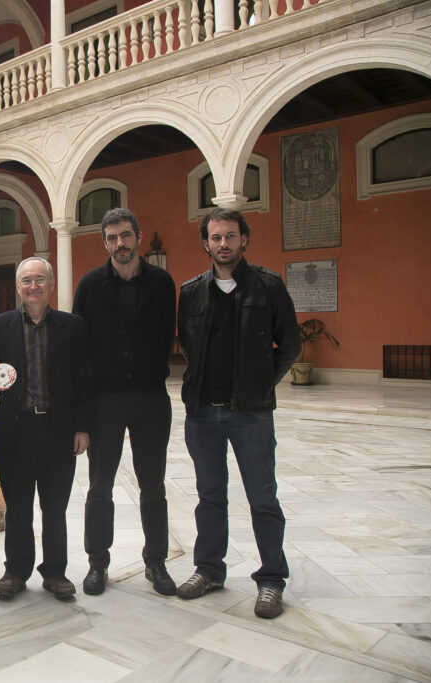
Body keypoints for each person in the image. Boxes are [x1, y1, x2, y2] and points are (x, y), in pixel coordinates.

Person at [176, 207, 300, 619]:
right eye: (216, 238)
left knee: (263, 498)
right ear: (205, 244)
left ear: (244, 239)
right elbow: (189, 346)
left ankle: (270, 580)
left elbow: (291, 346)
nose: (223, 244)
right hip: (203, 415)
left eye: (230, 236)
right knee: (210, 498)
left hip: (251, 414)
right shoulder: (191, 292)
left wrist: (262, 384)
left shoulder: (268, 287)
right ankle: (209, 570)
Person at [72, 208, 177, 597]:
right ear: (104, 243)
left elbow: (167, 333)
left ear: (138, 236)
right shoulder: (90, 286)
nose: (120, 244)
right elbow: (81, 354)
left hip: (151, 398)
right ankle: (97, 562)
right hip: (106, 401)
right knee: (100, 486)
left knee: (154, 484)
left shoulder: (163, 283)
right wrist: (82, 415)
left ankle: (157, 562)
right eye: (112, 237)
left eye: (126, 236)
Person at [0, 256, 93, 601]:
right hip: (16, 429)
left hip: (58, 430)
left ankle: (55, 572)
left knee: (55, 506)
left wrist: (83, 427)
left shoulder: (72, 326)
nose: (33, 286)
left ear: (51, 284)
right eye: (26, 280)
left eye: (39, 280)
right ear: (17, 286)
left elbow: (84, 379)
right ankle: (15, 571)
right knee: (16, 507)